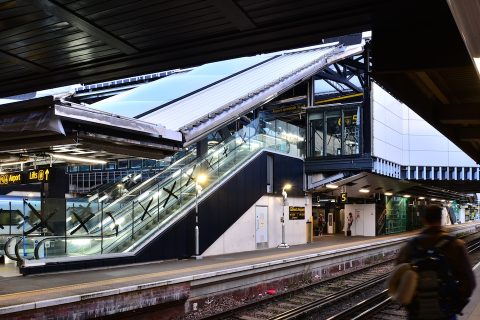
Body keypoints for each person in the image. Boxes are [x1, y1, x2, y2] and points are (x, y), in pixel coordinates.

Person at [396, 204, 476, 319]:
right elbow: (469, 283)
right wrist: (454, 302)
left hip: (417, 313)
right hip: (446, 312)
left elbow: (397, 281)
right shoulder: (455, 245)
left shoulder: (409, 247)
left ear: (424, 220)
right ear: (441, 219)